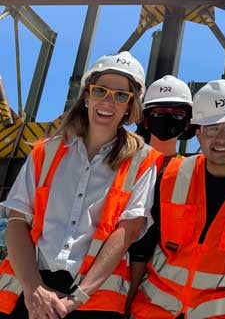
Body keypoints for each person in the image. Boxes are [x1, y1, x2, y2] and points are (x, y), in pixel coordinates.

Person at [0, 51, 161, 318]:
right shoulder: (46, 152)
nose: (108, 101)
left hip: (92, 303)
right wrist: (34, 289)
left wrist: (77, 299)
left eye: (121, 95)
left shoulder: (142, 161)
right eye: (101, 91)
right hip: (28, 294)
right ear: (87, 95)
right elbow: (17, 220)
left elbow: (127, 233)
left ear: (130, 106)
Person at [128, 79, 225, 318]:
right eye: (212, 128)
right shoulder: (170, 176)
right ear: (198, 135)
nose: (221, 138)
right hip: (153, 311)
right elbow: (141, 250)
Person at [139, 75, 193, 169]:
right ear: (146, 121)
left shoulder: (191, 170)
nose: (168, 119)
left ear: (186, 124)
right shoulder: (126, 164)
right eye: (160, 113)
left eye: (178, 114)